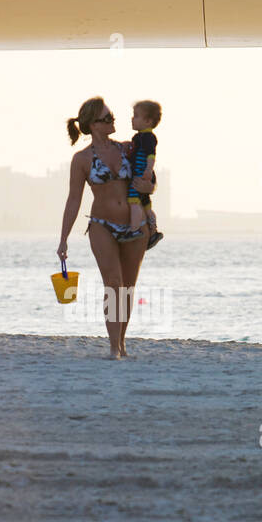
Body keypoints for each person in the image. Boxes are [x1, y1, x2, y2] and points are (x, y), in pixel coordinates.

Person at [57, 96, 154, 359]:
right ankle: (114, 348)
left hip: (135, 225)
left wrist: (150, 186)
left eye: (113, 117)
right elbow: (74, 199)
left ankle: (122, 342)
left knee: (127, 288)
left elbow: (148, 177)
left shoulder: (127, 149)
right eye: (107, 118)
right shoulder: (81, 159)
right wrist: (63, 239)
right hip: (102, 225)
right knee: (113, 283)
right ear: (93, 124)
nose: (113, 121)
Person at [127, 99, 164, 249]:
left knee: (133, 201)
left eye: (136, 116)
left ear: (148, 121)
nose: (132, 119)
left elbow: (151, 155)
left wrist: (148, 170)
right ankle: (153, 230)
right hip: (143, 174)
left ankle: (134, 231)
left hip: (141, 174)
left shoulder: (147, 137)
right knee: (147, 206)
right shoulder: (139, 137)